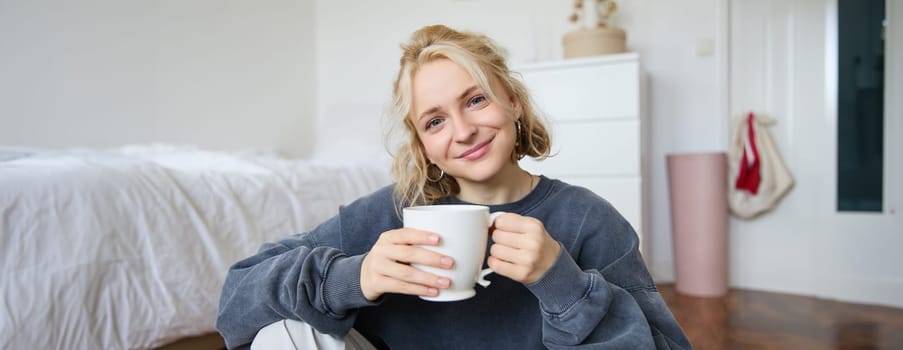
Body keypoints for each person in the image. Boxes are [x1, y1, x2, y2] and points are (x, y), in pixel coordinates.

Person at [215, 24, 691, 350]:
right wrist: (352, 278)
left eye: (476, 100)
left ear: (513, 101)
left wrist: (565, 287)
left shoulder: (588, 220)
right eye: (435, 120)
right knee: (288, 332)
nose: (462, 131)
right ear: (422, 144)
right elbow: (237, 297)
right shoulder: (389, 216)